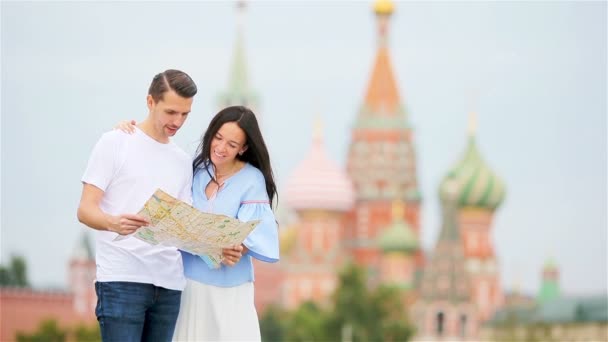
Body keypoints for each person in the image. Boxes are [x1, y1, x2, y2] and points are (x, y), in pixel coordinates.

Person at [116, 105, 280, 341]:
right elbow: (155, 165)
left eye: (232, 145)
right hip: (188, 285)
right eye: (218, 138)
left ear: (243, 148)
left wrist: (237, 248)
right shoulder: (194, 169)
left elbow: (253, 232)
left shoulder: (251, 179)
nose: (221, 148)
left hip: (231, 290)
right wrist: (128, 134)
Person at [77, 69, 198, 342]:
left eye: (185, 114)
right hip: (122, 279)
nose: (178, 121)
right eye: (171, 112)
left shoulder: (181, 160)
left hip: (169, 285)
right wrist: (113, 222)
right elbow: (85, 209)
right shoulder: (115, 143)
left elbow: (184, 223)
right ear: (150, 102)